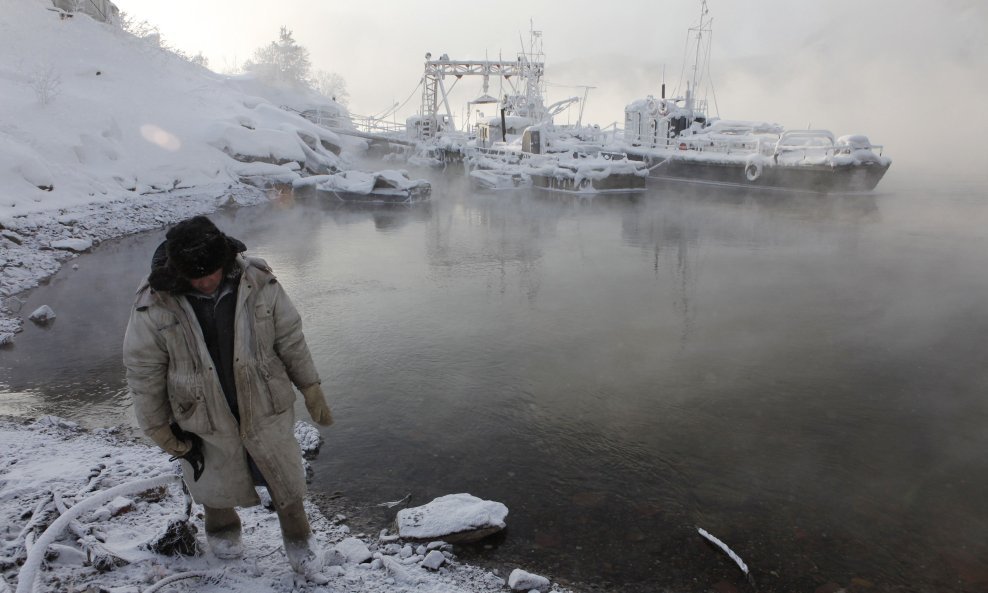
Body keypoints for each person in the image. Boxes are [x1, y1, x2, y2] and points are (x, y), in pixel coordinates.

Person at [123, 215, 333, 578]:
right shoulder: (154, 303)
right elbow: (143, 370)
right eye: (195, 276)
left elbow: (289, 337)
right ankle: (222, 533)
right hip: (199, 408)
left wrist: (310, 385)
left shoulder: (259, 281)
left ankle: (300, 541)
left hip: (264, 400)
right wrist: (156, 425)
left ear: (224, 259)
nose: (205, 282)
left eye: (212, 272)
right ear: (178, 271)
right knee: (211, 479)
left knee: (285, 477)